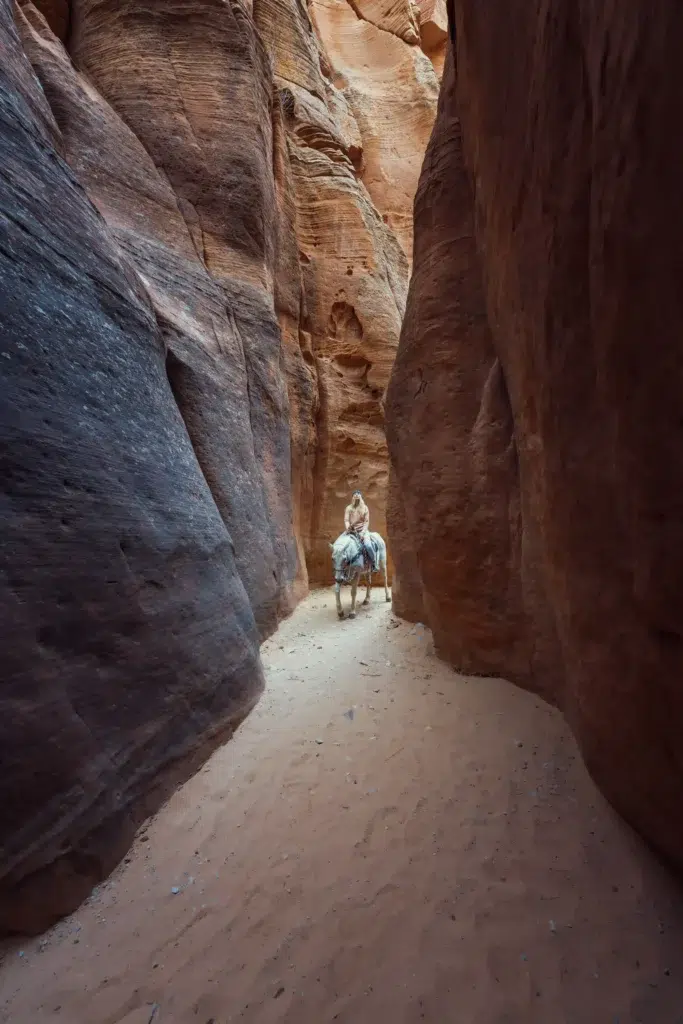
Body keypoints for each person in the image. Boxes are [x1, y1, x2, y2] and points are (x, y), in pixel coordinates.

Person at [344, 490, 378, 572]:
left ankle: (374, 563)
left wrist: (362, 533)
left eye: (358, 495)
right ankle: (342, 568)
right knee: (341, 545)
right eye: (355, 495)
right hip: (351, 531)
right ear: (352, 497)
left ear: (361, 497)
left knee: (368, 545)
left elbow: (366, 521)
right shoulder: (348, 508)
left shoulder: (365, 508)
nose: (356, 496)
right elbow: (346, 520)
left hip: (363, 531)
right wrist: (348, 528)